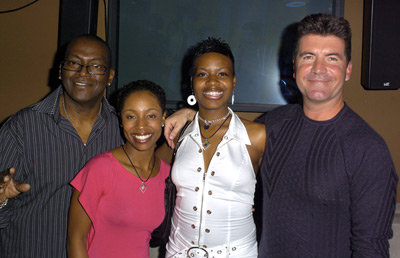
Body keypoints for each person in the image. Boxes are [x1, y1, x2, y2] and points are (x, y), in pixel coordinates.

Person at [164, 14, 398, 257]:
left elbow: (371, 247)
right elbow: (227, 132)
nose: (319, 69)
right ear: (295, 67)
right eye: (309, 57)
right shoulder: (274, 125)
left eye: (332, 58)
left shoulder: (367, 149)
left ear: (348, 70)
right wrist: (191, 115)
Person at [0, 34, 123, 257]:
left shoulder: (123, 129)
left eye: (95, 66)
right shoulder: (22, 127)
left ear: (110, 76)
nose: (83, 72)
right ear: (60, 70)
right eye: (74, 63)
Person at [165, 37, 266, 258]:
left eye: (222, 74)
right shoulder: (177, 133)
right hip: (179, 251)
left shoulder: (256, 135)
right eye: (202, 74)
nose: (212, 82)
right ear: (191, 81)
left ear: (234, 80)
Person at [67, 80, 170, 258]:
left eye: (150, 116)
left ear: (163, 118)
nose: (141, 126)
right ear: (121, 119)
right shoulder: (101, 168)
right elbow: (75, 240)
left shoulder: (167, 174)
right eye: (131, 116)